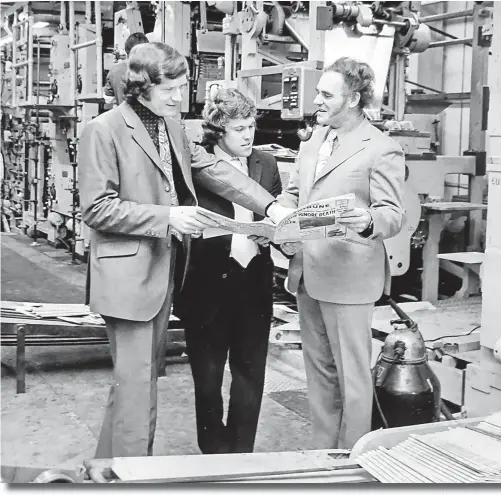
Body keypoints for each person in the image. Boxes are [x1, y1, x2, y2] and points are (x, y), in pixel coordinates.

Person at [79, 42, 289, 459]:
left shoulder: (171, 126)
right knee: (137, 388)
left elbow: (214, 170)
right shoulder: (103, 130)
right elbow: (97, 208)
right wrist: (168, 217)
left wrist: (271, 205)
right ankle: (130, 480)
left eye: (182, 86)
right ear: (141, 87)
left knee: (134, 384)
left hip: (163, 273)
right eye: (170, 88)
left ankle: (106, 470)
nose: (180, 97)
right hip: (129, 279)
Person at [269, 57, 405, 449]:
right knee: (320, 374)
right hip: (307, 272)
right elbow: (295, 191)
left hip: (348, 278)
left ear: (354, 98)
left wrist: (365, 219)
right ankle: (324, 452)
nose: (317, 100)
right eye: (318, 92)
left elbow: (392, 215)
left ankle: (351, 459)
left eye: (326, 94)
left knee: (353, 378)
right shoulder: (314, 141)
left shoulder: (381, 149)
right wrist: (279, 214)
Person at [173, 88, 282, 454]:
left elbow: (277, 211)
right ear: (219, 130)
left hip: (253, 283)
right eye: (239, 128)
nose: (249, 135)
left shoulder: (265, 164)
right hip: (208, 285)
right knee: (207, 379)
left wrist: (275, 237)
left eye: (252, 126)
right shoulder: (195, 164)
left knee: (250, 376)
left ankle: (241, 455)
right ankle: (214, 453)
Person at [103, 32, 149, 106]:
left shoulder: (115, 70)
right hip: (148, 116)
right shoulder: (151, 69)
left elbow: (108, 99)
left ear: (126, 49)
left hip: (123, 115)